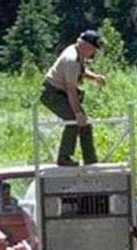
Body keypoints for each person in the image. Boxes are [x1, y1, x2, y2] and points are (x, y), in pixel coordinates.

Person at [40, 30, 106, 166]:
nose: (94, 53)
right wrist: (77, 113)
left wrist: (94, 77)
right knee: (74, 120)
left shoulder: (77, 53)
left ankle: (91, 160)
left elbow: (80, 71)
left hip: (60, 92)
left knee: (85, 125)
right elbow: (71, 90)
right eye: (93, 49)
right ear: (86, 46)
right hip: (52, 94)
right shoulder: (71, 59)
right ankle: (63, 158)